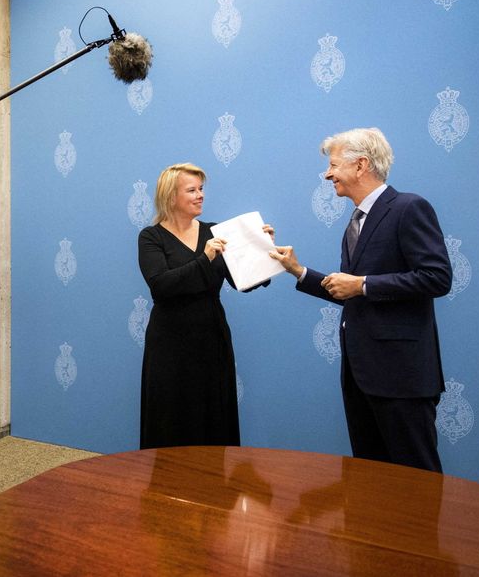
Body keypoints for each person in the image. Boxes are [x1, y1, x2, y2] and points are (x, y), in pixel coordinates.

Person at [269, 128, 451, 472]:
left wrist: (363, 284)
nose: (327, 173)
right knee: (369, 483)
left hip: (402, 378)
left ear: (361, 165)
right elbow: (350, 292)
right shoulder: (355, 222)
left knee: (416, 485)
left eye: (334, 164)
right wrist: (298, 271)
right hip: (361, 376)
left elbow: (437, 277)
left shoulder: (409, 208)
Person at [137, 163, 272, 449]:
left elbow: (241, 281)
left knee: (214, 416)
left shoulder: (215, 231)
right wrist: (205, 258)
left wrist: (263, 249)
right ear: (171, 197)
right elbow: (162, 285)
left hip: (212, 338)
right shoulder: (151, 237)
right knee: (171, 417)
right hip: (169, 343)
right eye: (192, 190)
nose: (200, 195)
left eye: (201, 189)